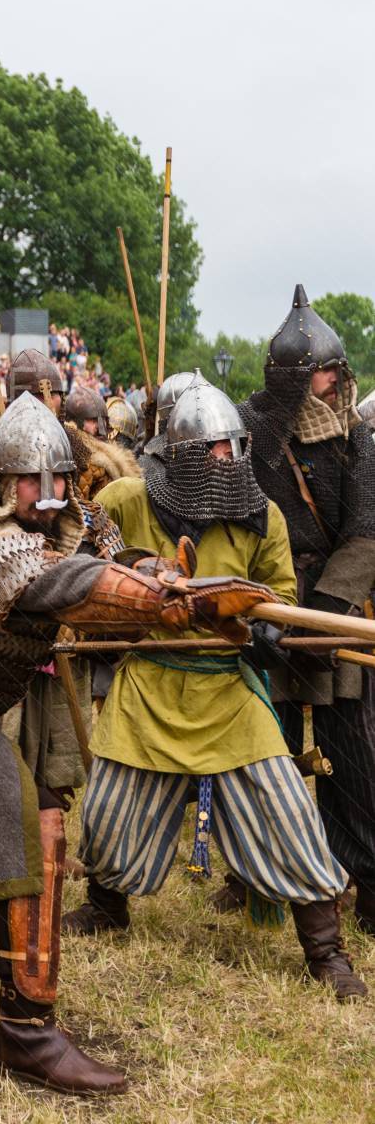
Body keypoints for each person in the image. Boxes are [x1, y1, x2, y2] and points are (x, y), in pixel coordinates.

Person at [0, 392, 283, 1095]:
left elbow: (109, 552)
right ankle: (26, 1029)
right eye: (29, 482)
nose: (47, 495)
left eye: (59, 479)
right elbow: (55, 581)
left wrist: (156, 572)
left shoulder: (74, 517)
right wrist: (163, 601)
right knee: (35, 819)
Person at [65, 381, 367, 1001]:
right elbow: (83, 534)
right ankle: (106, 906)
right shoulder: (130, 499)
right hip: (149, 682)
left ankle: (326, 950)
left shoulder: (262, 517)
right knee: (105, 816)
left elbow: (279, 594)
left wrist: (263, 627)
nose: (229, 462)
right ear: (181, 456)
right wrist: (129, 573)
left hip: (228, 692)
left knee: (289, 818)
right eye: (216, 451)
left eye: (234, 448)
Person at [234, 285, 375, 932]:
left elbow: (364, 537)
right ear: (292, 380)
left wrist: (322, 617)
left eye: (337, 371)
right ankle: (262, 883)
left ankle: (366, 884)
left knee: (353, 760)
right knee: (270, 757)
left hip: (338, 615)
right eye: (325, 372)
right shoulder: (253, 443)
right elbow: (237, 526)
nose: (336, 382)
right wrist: (265, 610)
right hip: (271, 611)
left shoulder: (358, 442)